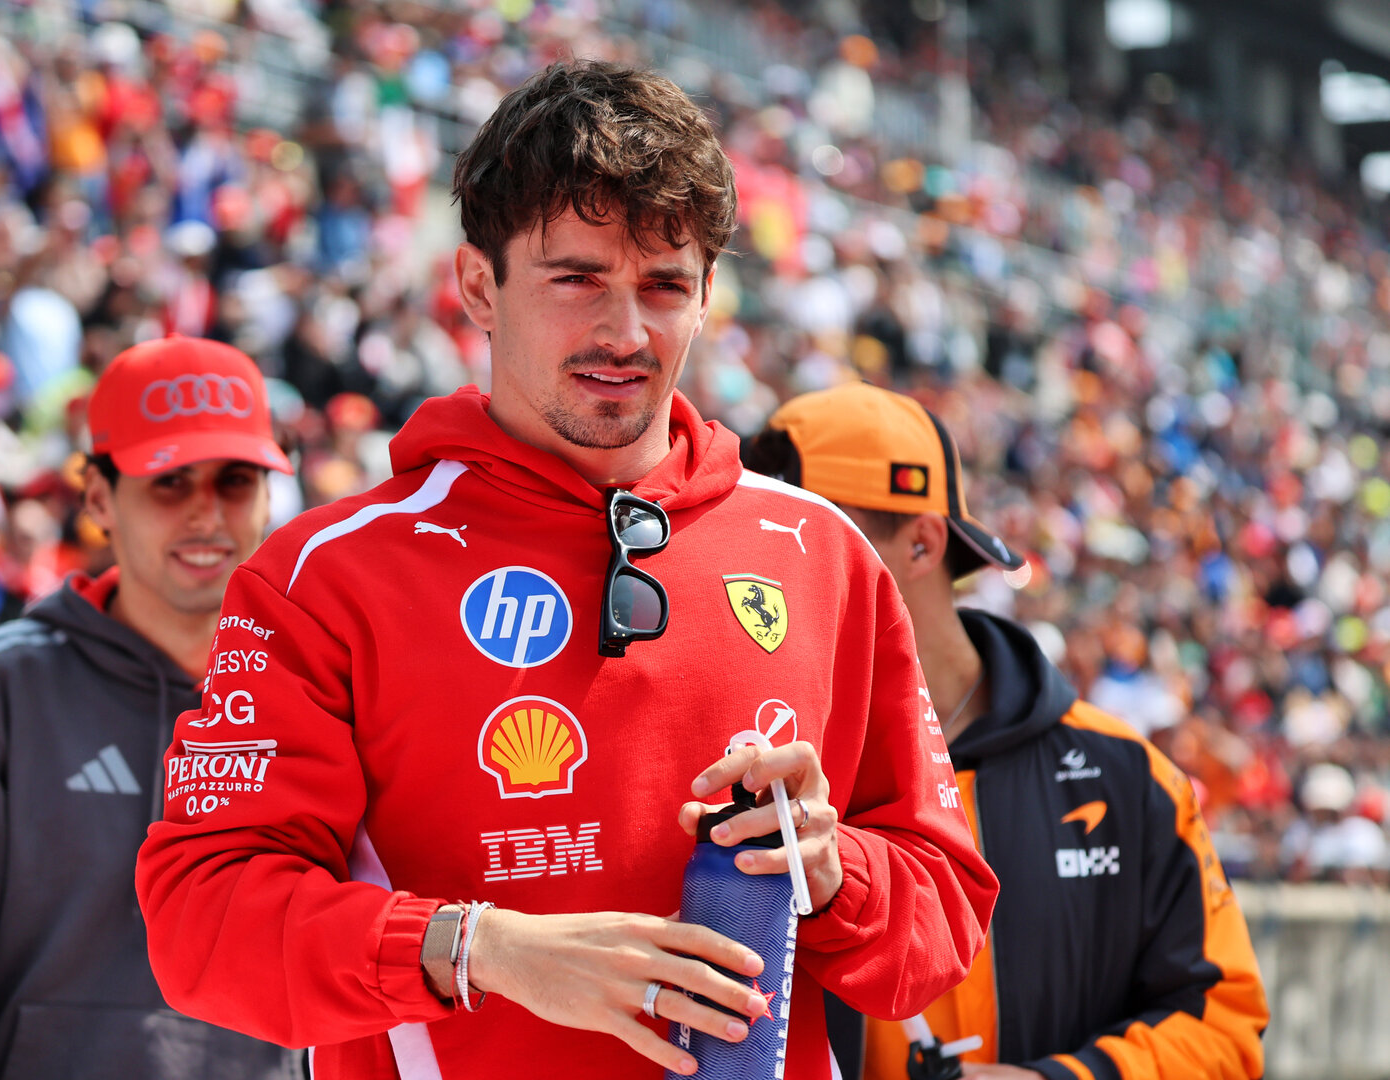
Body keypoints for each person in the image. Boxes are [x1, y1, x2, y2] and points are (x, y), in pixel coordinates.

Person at [135, 60, 997, 1080]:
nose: (625, 333)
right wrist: (479, 950)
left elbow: (943, 916)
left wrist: (829, 865)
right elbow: (201, 924)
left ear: (707, 295)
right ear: (476, 287)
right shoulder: (323, 577)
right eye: (577, 277)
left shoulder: (824, 558)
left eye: (664, 286)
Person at [744, 382, 1268, 1080]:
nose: (763, 565)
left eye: (806, 533)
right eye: (758, 531)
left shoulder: (1127, 777)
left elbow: (1226, 1031)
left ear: (923, 545)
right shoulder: (756, 765)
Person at [0, 335, 303, 1080]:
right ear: (98, 497)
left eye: (234, 480)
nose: (207, 515)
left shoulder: (324, 696)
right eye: (170, 481)